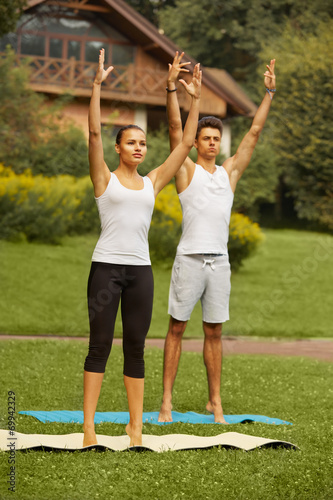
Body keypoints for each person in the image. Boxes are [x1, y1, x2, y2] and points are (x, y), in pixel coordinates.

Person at [82, 49, 201, 447]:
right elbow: (95, 133)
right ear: (118, 148)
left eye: (142, 143)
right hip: (105, 269)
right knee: (99, 346)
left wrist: (191, 98)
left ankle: (136, 428)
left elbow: (186, 142)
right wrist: (97, 87)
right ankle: (89, 428)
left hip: (140, 272)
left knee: (136, 347)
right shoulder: (104, 179)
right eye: (131, 142)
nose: (138, 148)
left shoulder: (152, 182)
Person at [158, 52, 276, 424]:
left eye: (215, 138)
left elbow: (253, 134)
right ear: (196, 144)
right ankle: (166, 402)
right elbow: (176, 130)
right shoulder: (186, 171)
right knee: (176, 329)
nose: (211, 142)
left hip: (219, 265)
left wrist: (269, 95)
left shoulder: (229, 174)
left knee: (215, 332)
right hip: (190, 260)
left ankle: (215, 402)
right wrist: (173, 89)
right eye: (205, 138)